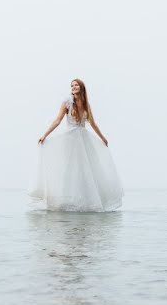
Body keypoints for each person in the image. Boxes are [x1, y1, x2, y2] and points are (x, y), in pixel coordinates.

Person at [32, 79, 123, 211]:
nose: (73, 87)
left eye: (76, 85)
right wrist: (45, 135)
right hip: (70, 139)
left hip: (83, 140)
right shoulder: (67, 103)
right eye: (72, 85)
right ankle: (63, 200)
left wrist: (103, 138)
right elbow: (57, 120)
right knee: (68, 169)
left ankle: (85, 201)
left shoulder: (86, 104)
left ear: (81, 87)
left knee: (85, 169)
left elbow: (92, 123)